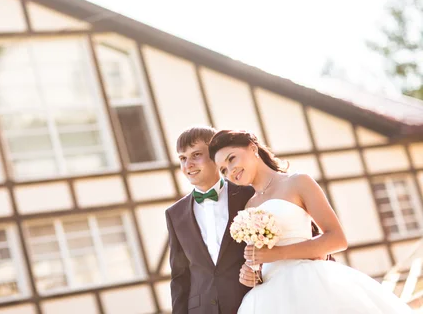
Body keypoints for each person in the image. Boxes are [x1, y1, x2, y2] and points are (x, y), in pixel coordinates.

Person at [208, 129, 411, 314]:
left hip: (310, 282)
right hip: (269, 298)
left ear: (252, 148)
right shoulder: (248, 207)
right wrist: (253, 276)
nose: (230, 171)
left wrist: (276, 254)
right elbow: (263, 259)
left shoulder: (297, 182)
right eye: (223, 170)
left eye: (231, 159)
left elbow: (337, 239)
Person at [165, 126, 258, 314]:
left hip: (252, 301)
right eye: (182, 159)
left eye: (196, 155)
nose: (188, 164)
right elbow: (179, 277)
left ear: (215, 157)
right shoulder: (175, 214)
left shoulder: (249, 194)